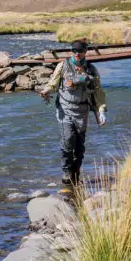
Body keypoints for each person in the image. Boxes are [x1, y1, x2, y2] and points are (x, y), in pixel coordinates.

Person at [40, 39, 107, 187]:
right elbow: (53, 83)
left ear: (85, 52)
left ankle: (76, 172)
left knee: (79, 145)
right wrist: (46, 90)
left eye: (80, 51)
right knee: (67, 141)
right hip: (65, 109)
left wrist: (101, 110)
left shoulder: (91, 69)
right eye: (74, 50)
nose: (77, 53)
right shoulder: (62, 66)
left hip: (82, 111)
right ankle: (66, 172)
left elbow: (98, 92)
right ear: (71, 51)